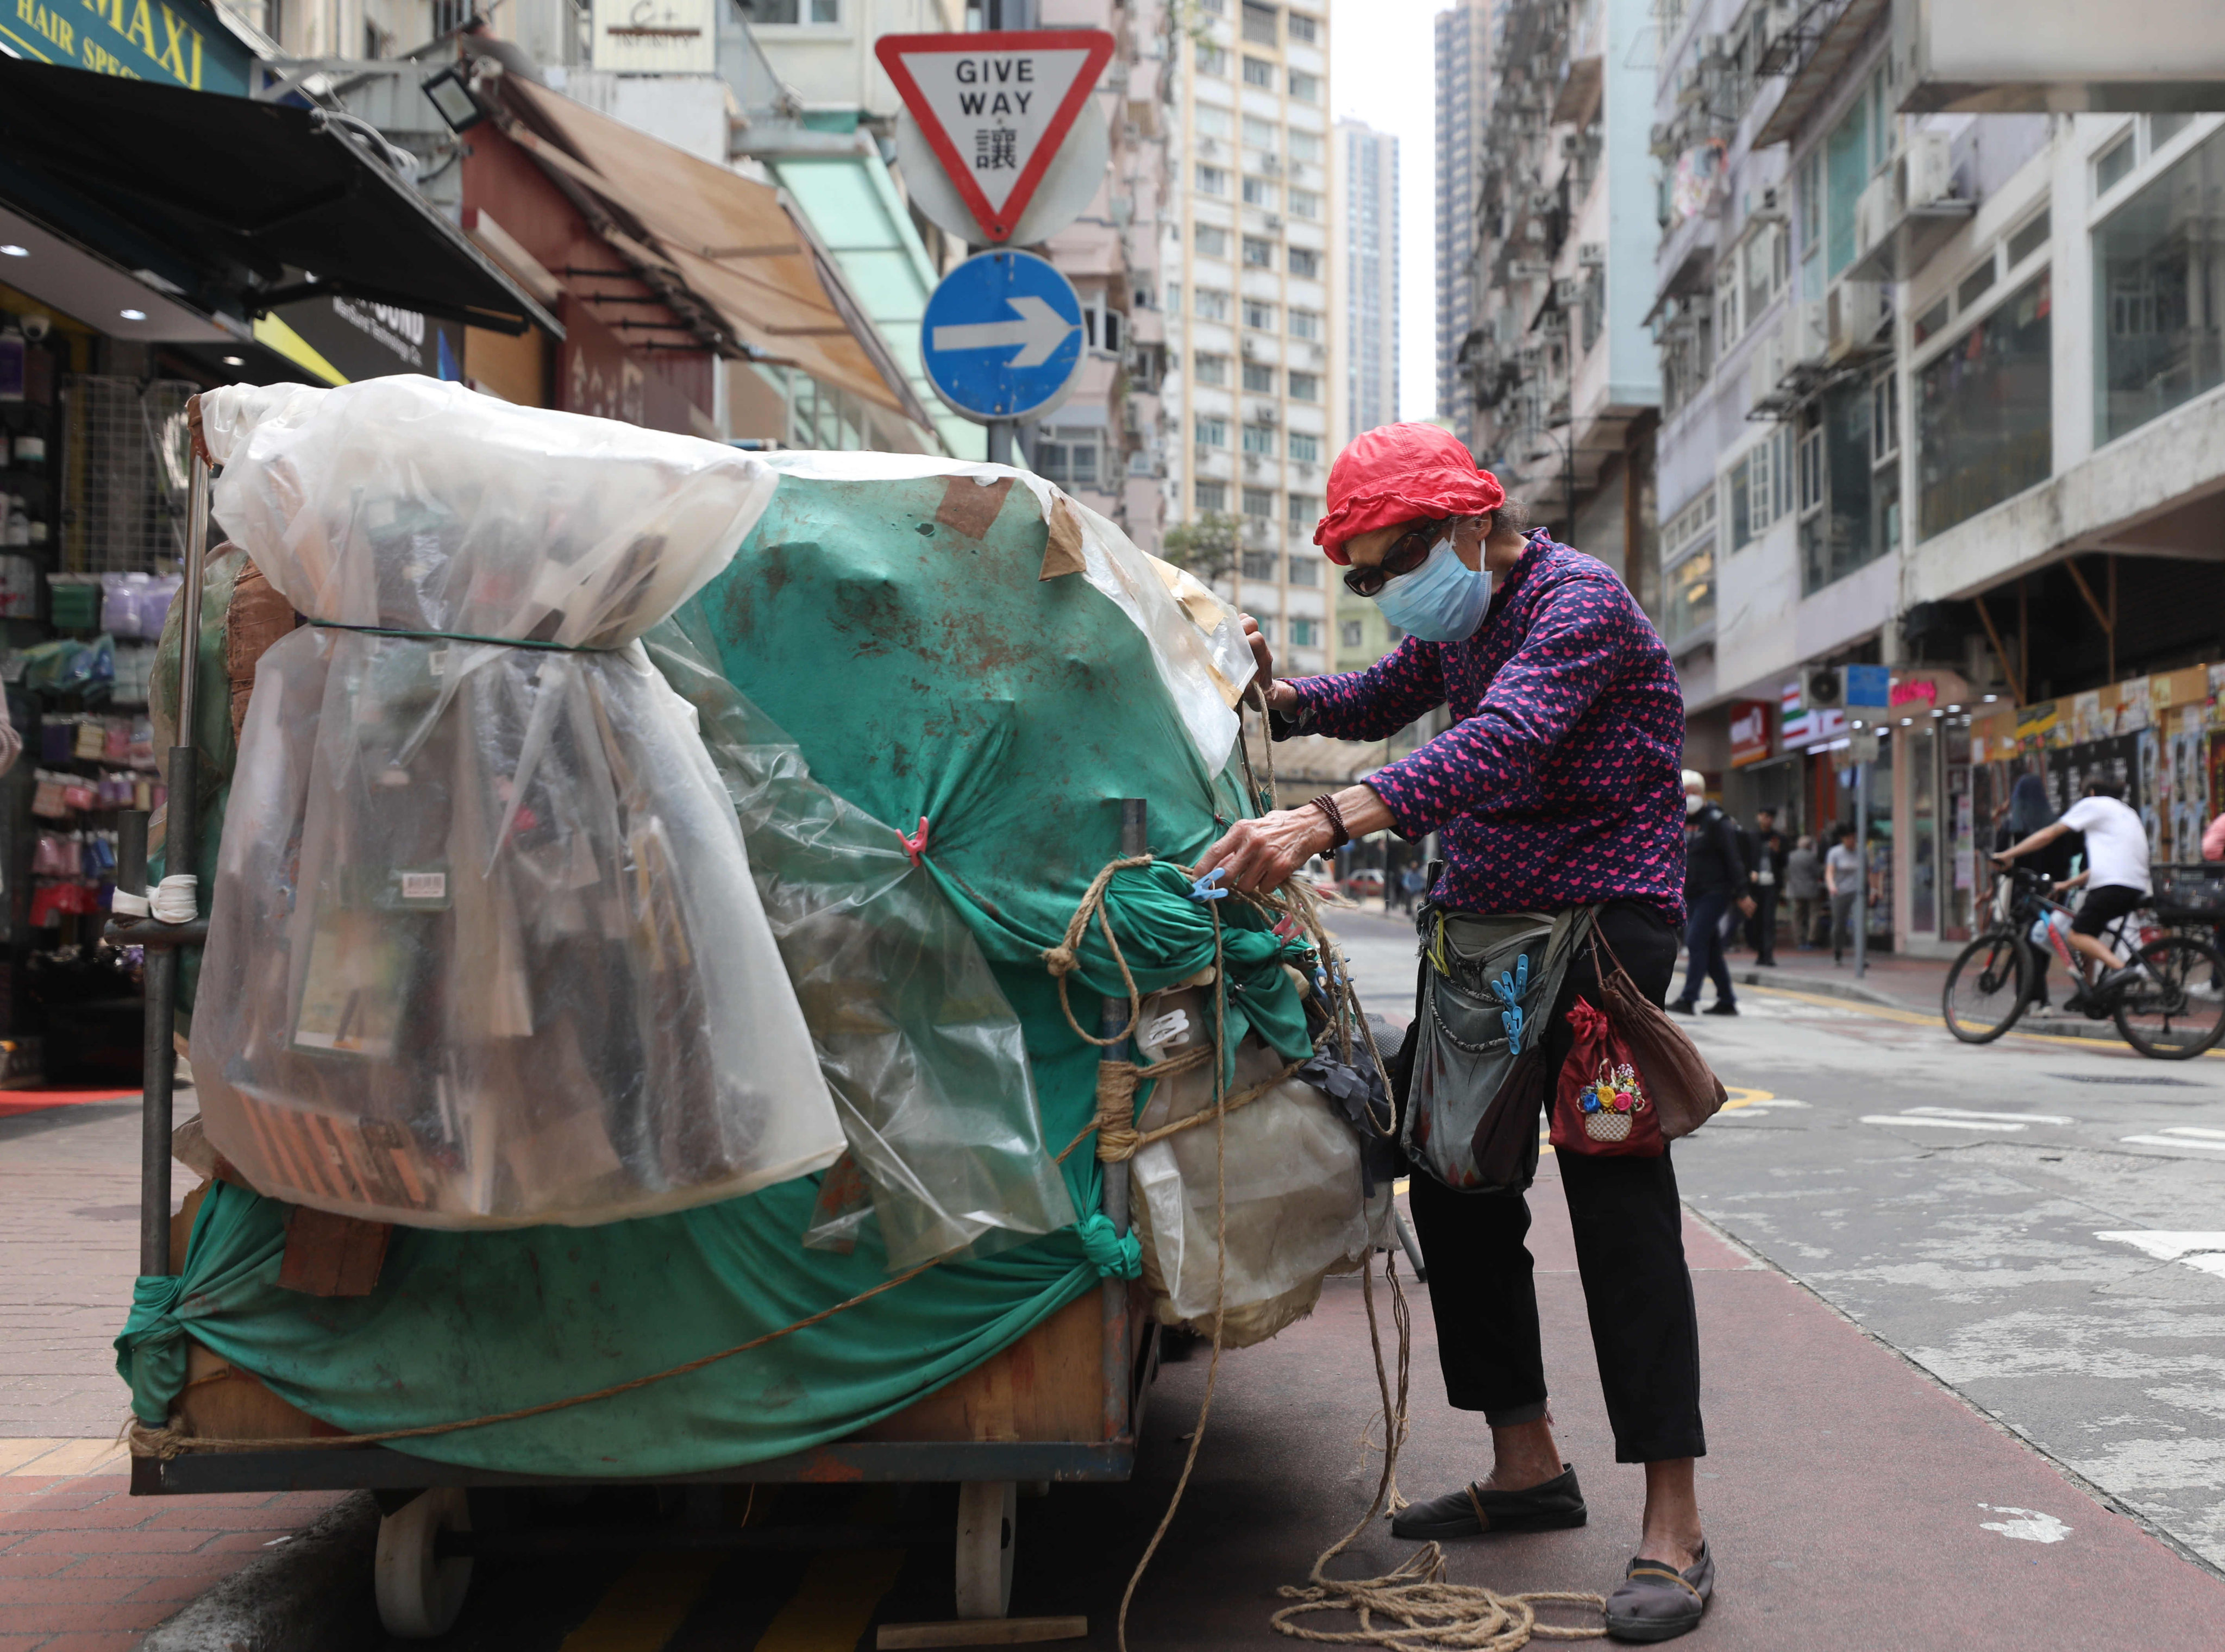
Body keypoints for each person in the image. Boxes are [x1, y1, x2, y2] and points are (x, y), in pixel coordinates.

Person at [1194, 423, 1711, 1642]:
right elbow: (1376, 696)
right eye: (1363, 578)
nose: (1384, 593)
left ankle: (1673, 1522)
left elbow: (1505, 738)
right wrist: (1263, 689)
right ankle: (1523, 1458)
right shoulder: (1464, 619)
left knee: (1616, 1207)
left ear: (1471, 522)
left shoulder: (1574, 602)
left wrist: (1325, 819)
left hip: (1597, 942)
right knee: (1457, 1184)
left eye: (1394, 563)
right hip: (1481, 940)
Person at [1994, 777, 2152, 1003]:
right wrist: (2066, 885)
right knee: (2089, 935)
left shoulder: (2093, 805)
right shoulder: (2128, 813)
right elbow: (2098, 864)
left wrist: (2007, 856)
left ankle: (2123, 970)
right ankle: (2090, 994)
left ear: (2092, 792)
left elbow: (2048, 835)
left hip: (2111, 885)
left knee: (2076, 935)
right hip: (2135, 885)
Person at [1995, 771, 2078, 1009]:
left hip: (2021, 895)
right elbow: (2067, 860)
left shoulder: (2012, 826)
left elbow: (2001, 861)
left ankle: (2030, 997)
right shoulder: (2056, 827)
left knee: (2022, 945)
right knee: (2040, 945)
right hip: (2051, 893)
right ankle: (2038, 999)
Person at [1672, 773, 1750, 1015]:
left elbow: (1733, 858)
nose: (1691, 797)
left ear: (1704, 793)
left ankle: (1689, 998)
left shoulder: (1717, 822)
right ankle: (1726, 1000)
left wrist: (1743, 892)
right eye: (1687, 791)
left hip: (1715, 892)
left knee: (1695, 941)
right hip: (1692, 894)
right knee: (1711, 947)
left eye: (1695, 791)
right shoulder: (1679, 820)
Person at [1745, 808, 1788, 965]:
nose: (1767, 820)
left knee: (1769, 920)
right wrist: (1750, 873)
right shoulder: (1751, 836)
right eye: (1764, 816)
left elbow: (1784, 862)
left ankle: (1768, 954)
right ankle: (1760, 953)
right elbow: (1745, 858)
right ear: (1759, 817)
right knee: (1756, 920)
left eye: (1770, 817)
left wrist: (1777, 851)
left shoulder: (1779, 838)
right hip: (1755, 884)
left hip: (1772, 884)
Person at [1825, 824, 1862, 964]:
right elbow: (1830, 872)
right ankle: (1838, 952)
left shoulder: (1861, 851)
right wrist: (1831, 886)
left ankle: (1860, 955)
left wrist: (1875, 890)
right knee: (1839, 925)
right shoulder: (1835, 853)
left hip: (1858, 892)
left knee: (1860, 923)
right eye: (1848, 838)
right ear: (1843, 839)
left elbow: (1869, 872)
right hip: (1840, 892)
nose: (1851, 841)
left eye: (1853, 838)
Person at [1785, 833, 1823, 950]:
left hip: (1795, 889)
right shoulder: (1811, 857)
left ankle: (1799, 940)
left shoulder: (1790, 856)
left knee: (1796, 916)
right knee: (1814, 914)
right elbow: (1818, 872)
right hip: (1810, 889)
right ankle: (1812, 939)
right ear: (1809, 845)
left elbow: (1786, 872)